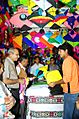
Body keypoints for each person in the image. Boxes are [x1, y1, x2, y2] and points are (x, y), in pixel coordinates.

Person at [49, 42, 79, 119]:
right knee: (75, 115)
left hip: (70, 92)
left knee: (67, 115)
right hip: (75, 90)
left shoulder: (67, 61)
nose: (59, 53)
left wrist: (55, 83)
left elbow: (66, 79)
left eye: (60, 51)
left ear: (66, 51)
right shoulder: (73, 60)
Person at [3, 48, 24, 119]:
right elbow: (5, 80)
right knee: (12, 113)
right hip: (11, 90)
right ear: (11, 54)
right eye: (17, 55)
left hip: (14, 90)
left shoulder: (11, 62)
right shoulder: (7, 62)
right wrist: (18, 80)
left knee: (15, 112)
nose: (18, 57)